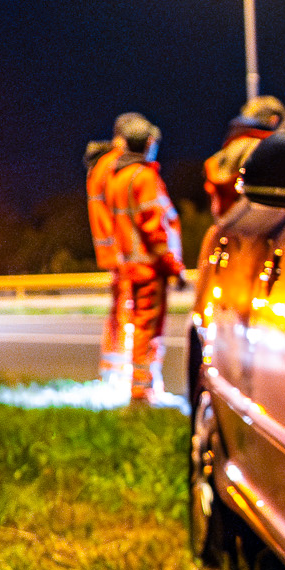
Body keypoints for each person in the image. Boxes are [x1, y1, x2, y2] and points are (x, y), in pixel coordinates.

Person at [105, 113, 183, 406]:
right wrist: (172, 266)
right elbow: (155, 227)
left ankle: (140, 387)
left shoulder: (117, 179)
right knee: (149, 330)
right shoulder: (145, 178)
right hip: (150, 268)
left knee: (139, 326)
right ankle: (142, 392)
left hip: (131, 267)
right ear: (148, 143)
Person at [83, 133, 127, 383]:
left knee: (118, 312)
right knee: (125, 313)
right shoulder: (112, 166)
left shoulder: (97, 169)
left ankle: (112, 367)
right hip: (123, 252)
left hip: (112, 252)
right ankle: (119, 370)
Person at [203, 94, 285, 220]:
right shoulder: (257, 146)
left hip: (228, 221)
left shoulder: (233, 146)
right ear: (275, 120)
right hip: (251, 220)